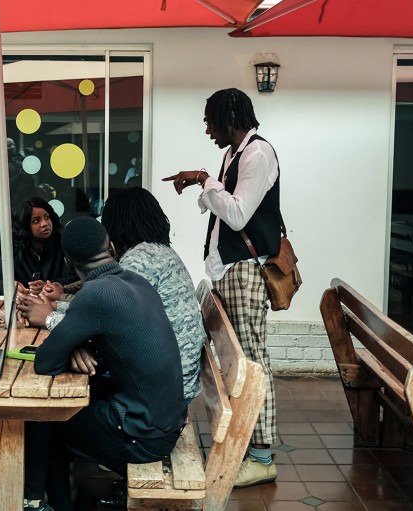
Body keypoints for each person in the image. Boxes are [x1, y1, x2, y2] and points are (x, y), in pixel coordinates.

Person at [19, 217, 187, 510]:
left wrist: (70, 346)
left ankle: (34, 502)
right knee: (58, 415)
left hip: (143, 435)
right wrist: (76, 346)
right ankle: (47, 502)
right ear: (111, 247)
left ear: (69, 264)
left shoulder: (94, 293)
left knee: (44, 420)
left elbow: (45, 361)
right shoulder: (137, 282)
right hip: (165, 420)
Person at [163, 88, 282, 488]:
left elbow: (236, 213)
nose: (207, 128)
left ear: (229, 117)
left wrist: (202, 179)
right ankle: (247, 439)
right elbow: (223, 202)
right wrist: (205, 182)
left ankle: (262, 456)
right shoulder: (234, 153)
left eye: (209, 119)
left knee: (252, 362)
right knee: (237, 361)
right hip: (227, 269)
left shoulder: (258, 153)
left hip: (246, 270)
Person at [24, 187, 205, 403]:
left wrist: (52, 317)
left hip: (165, 390)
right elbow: (106, 315)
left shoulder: (140, 261)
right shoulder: (154, 251)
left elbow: (106, 317)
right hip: (169, 375)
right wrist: (58, 311)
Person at [0, 196, 77, 295]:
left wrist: (48, 285)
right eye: (36, 221)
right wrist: (11, 286)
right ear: (25, 226)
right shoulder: (13, 246)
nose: (45, 223)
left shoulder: (62, 243)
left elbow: (73, 278)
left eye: (47, 217)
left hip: (56, 302)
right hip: (22, 303)